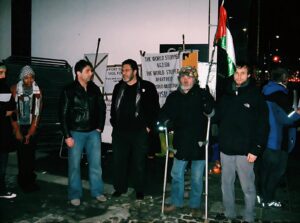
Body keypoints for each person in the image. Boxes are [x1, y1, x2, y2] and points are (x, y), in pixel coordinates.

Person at [215, 62, 269, 222]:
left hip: (246, 150)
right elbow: (217, 117)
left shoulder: (255, 96)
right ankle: (229, 213)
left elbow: (263, 125)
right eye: (237, 73)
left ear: (249, 75)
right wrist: (208, 105)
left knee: (247, 186)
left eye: (243, 73)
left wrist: (256, 149)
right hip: (226, 148)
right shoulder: (226, 94)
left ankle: (249, 216)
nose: (239, 76)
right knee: (226, 184)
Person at [159, 66, 215, 217]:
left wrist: (206, 101)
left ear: (195, 79)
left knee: (197, 177)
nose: (185, 79)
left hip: (198, 142)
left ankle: (195, 205)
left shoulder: (202, 94)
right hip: (181, 142)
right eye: (183, 77)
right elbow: (164, 113)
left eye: (189, 77)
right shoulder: (174, 97)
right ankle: (176, 202)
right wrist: (162, 121)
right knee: (177, 174)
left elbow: (212, 113)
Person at [110, 59, 160, 200]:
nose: (123, 73)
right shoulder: (118, 87)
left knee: (139, 162)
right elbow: (114, 108)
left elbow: (155, 109)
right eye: (122, 70)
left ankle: (139, 190)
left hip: (139, 132)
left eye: (126, 70)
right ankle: (120, 188)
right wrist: (114, 122)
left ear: (135, 71)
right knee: (119, 161)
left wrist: (149, 127)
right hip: (120, 132)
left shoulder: (147, 87)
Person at [59, 60, 106, 206]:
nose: (91, 73)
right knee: (74, 165)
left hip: (93, 132)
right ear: (78, 73)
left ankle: (97, 191)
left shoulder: (94, 89)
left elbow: (102, 108)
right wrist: (67, 135)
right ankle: (74, 194)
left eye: (91, 70)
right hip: (76, 132)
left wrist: (99, 127)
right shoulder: (68, 90)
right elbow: (62, 114)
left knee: (96, 165)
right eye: (88, 71)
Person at [260, 67, 300, 208]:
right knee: (277, 171)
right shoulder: (280, 95)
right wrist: (298, 113)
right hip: (277, 139)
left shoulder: (265, 91)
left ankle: (261, 195)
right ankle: (268, 198)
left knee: (265, 170)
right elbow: (288, 118)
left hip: (266, 137)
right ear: (284, 78)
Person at [11, 65, 42, 193]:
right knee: (22, 155)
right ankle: (23, 181)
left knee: (30, 155)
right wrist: (17, 130)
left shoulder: (37, 90)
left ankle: (31, 179)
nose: (29, 80)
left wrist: (31, 132)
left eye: (31, 77)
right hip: (19, 126)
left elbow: (37, 112)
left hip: (31, 126)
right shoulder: (14, 89)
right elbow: (12, 112)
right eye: (26, 78)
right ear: (21, 78)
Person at [0, 62, 17, 199]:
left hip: (4, 130)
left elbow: (12, 106)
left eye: (5, 72)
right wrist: (4, 111)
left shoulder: (4, 87)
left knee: (3, 160)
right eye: (1, 72)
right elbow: (6, 110)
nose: (3, 75)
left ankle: (1, 189)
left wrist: (7, 110)